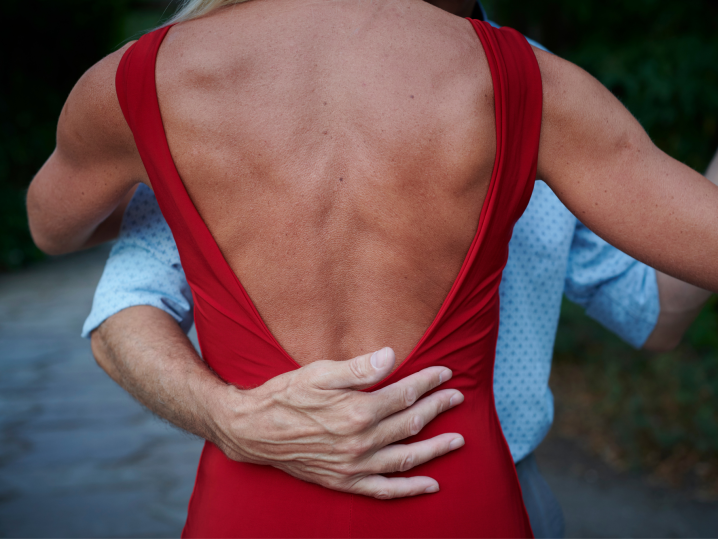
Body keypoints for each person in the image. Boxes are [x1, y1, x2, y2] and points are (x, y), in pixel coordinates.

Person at [26, 0, 718, 537]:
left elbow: (53, 227)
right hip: (459, 496)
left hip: (254, 498)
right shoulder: (526, 84)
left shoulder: (142, 80)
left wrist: (187, 189)